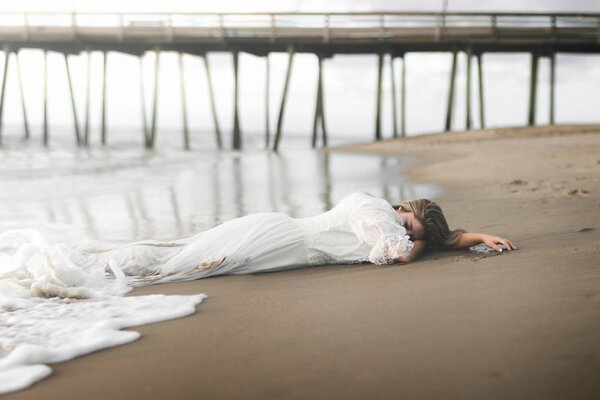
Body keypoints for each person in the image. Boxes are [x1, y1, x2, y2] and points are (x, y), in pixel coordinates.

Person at [95, 192, 516, 285]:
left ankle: (104, 271)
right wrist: (422, 242)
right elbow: (401, 255)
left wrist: (474, 236)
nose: (407, 232)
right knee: (184, 265)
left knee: (186, 260)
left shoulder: (390, 218)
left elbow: (425, 243)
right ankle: (98, 273)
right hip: (276, 240)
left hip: (284, 244)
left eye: (414, 233)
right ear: (403, 210)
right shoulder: (377, 213)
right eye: (409, 225)